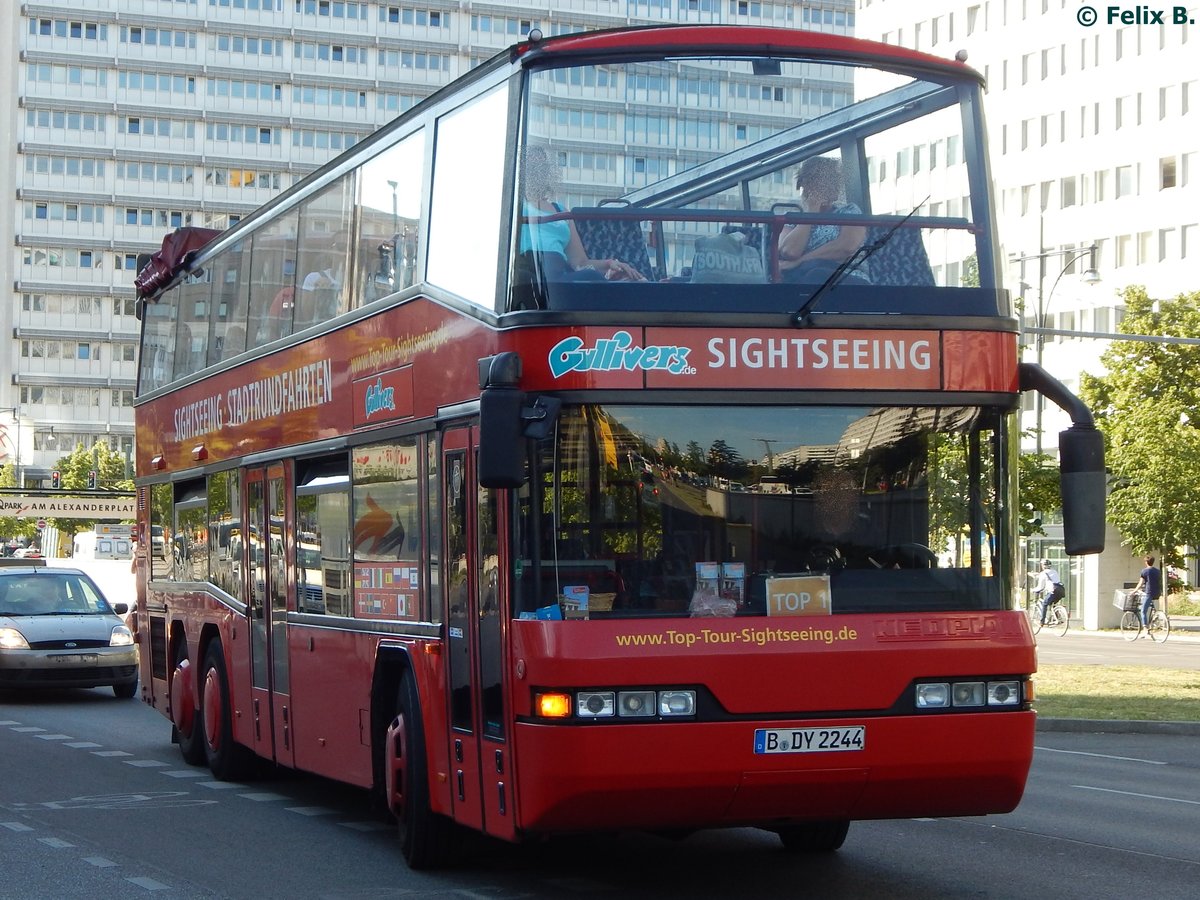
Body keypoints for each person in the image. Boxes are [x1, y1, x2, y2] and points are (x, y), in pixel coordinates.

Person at [519, 145, 644, 282]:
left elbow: (580, 263)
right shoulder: (515, 206)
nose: (536, 171)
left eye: (541, 167)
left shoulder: (561, 211)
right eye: (531, 166)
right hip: (528, 273)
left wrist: (609, 264)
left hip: (559, 278)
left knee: (592, 277)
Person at [777, 156, 869, 284]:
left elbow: (847, 247)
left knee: (816, 276)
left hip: (848, 277)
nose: (835, 186)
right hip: (807, 280)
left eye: (836, 180)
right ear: (809, 186)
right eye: (828, 180)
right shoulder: (792, 221)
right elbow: (790, 252)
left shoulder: (849, 211)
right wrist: (812, 211)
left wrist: (801, 261)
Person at [1030, 558, 1063, 625]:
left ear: (1043, 565)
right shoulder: (1054, 571)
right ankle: (1057, 617)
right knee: (1052, 603)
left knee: (1044, 604)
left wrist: (1033, 590)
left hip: (1052, 591)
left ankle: (1042, 622)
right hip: (1060, 591)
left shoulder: (1043, 573)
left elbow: (1040, 587)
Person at [1135, 554, 1162, 627]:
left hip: (1149, 592)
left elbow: (1141, 583)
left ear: (1146, 562)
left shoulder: (1145, 571)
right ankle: (1154, 615)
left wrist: (1135, 590)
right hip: (1157, 592)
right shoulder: (1158, 571)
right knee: (1150, 605)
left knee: (1143, 611)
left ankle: (1145, 628)